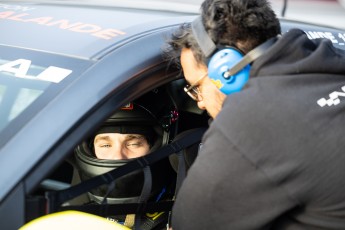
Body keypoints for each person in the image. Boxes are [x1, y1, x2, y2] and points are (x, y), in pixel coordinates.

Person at [164, 0, 345, 229]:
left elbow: (188, 224)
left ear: (226, 71)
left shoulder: (251, 124)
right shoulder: (330, 59)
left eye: (196, 87)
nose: (199, 103)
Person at [73, 101, 178, 229]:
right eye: (106, 145)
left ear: (154, 146)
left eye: (133, 144)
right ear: (91, 149)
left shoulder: (181, 212)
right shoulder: (72, 216)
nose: (118, 156)